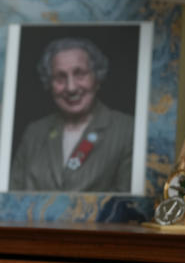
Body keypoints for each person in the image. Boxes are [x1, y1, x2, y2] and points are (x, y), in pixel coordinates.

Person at [9, 37, 135, 193]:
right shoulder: (34, 132)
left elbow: (129, 207)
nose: (71, 88)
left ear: (97, 78)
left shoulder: (128, 130)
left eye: (80, 74)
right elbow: (11, 199)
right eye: (60, 77)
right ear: (49, 83)